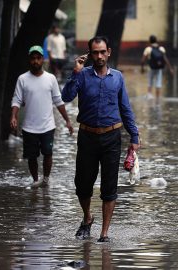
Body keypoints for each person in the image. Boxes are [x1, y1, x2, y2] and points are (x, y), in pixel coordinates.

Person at [62, 36, 140, 242]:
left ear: (109, 52)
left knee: (109, 187)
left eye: (102, 52)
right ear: (90, 54)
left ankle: (104, 234)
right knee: (82, 185)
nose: (99, 56)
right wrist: (75, 72)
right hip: (87, 136)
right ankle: (87, 218)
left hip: (112, 137)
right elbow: (66, 97)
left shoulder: (118, 77)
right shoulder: (82, 75)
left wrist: (135, 135)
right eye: (95, 52)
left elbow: (125, 108)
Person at [10, 45, 73, 188]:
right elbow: (17, 99)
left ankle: (45, 180)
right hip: (29, 127)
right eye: (33, 58)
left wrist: (68, 121)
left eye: (38, 58)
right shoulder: (22, 79)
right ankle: (35, 180)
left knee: (48, 153)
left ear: (43, 60)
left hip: (48, 126)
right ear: (29, 60)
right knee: (31, 157)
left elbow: (58, 100)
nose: (35, 61)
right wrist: (13, 116)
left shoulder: (50, 78)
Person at [141, 35, 174, 100]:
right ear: (156, 40)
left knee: (150, 81)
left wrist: (142, 68)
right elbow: (165, 59)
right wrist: (170, 68)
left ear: (150, 41)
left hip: (151, 68)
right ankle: (157, 98)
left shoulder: (148, 49)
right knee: (158, 82)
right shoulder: (161, 48)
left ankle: (149, 95)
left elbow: (143, 60)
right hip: (159, 68)